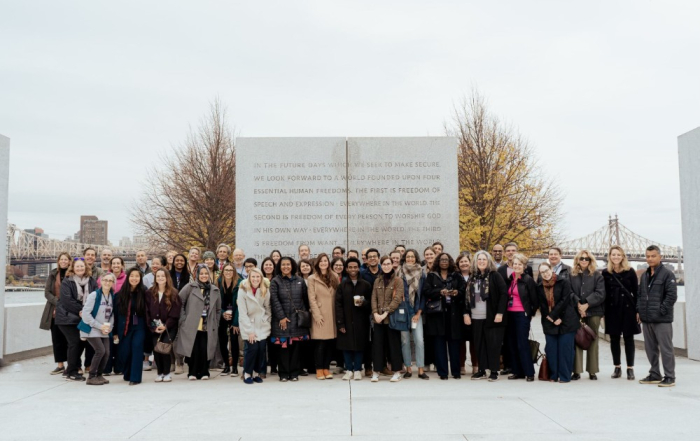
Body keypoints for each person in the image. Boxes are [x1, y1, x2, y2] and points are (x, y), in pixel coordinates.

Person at [464, 250, 508, 382]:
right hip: (476, 317)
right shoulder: (473, 277)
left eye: (484, 259)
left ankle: (494, 371)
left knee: (493, 345)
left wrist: (500, 313)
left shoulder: (495, 276)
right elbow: (466, 297)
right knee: (479, 345)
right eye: (479, 259)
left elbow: (503, 294)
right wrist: (466, 313)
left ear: (488, 261)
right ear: (475, 262)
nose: (481, 262)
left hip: (492, 317)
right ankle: (482, 370)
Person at [638, 245, 677, 387]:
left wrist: (661, 310)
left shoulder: (668, 274)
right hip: (646, 319)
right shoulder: (644, 275)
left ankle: (670, 377)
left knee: (666, 348)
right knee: (650, 349)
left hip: (662, 319)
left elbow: (671, 296)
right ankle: (655, 374)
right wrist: (640, 311)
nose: (650, 259)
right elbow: (640, 295)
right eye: (648, 256)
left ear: (660, 257)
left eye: (653, 256)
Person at [423, 253, 467, 380]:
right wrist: (439, 292)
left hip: (453, 314)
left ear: (450, 262)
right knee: (439, 344)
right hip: (437, 315)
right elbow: (426, 291)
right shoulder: (432, 276)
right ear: (438, 262)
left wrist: (456, 292)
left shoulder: (457, 276)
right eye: (441, 260)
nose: (444, 262)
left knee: (454, 344)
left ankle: (456, 372)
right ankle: (442, 372)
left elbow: (464, 290)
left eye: (446, 260)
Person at [176, 265, 222, 380]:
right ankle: (192, 372)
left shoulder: (214, 289)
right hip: (192, 324)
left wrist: (216, 322)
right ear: (197, 275)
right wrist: (183, 319)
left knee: (205, 348)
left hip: (208, 324)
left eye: (206, 274)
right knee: (193, 348)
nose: (204, 276)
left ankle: (204, 371)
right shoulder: (190, 287)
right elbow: (179, 302)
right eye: (201, 274)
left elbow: (218, 309)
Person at [55, 258, 97, 381]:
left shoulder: (92, 281)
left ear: (86, 268)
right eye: (77, 266)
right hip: (67, 318)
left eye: (82, 266)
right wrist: (83, 311)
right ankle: (71, 372)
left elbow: (95, 297)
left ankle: (71, 369)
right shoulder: (67, 281)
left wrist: (85, 312)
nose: (80, 269)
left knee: (82, 343)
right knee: (74, 343)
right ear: (72, 268)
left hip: (82, 318)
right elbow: (67, 300)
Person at [602, 245, 640, 380]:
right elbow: (603, 294)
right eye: (613, 254)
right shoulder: (605, 273)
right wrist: (602, 313)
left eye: (618, 254)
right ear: (610, 256)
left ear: (622, 256)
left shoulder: (630, 271)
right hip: (612, 309)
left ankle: (630, 368)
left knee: (629, 339)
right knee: (614, 339)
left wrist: (638, 310)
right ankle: (617, 367)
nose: (616, 257)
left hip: (628, 309)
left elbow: (636, 293)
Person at [270, 257, 310, 382]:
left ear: (292, 266)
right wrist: (281, 317)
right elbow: (274, 301)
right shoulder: (275, 281)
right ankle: (283, 373)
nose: (286, 267)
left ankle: (294, 372)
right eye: (283, 265)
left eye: (288, 264)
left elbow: (305, 299)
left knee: (296, 348)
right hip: (281, 320)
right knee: (283, 348)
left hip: (297, 320)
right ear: (279, 266)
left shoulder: (300, 280)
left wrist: (303, 313)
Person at [537, 262, 577, 382]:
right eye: (542, 272)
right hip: (549, 321)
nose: (545, 274)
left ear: (551, 269)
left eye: (546, 270)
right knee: (551, 350)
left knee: (565, 350)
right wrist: (552, 318)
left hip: (566, 319)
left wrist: (557, 316)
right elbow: (542, 305)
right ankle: (553, 375)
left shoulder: (564, 282)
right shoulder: (539, 286)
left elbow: (565, 300)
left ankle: (565, 376)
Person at [570, 250, 606, 381]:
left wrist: (587, 304)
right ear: (577, 260)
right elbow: (569, 292)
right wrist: (579, 305)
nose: (584, 260)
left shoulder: (597, 275)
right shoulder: (571, 275)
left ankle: (592, 371)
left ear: (590, 261)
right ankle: (576, 371)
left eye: (587, 259)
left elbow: (601, 293)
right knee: (577, 340)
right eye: (581, 258)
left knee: (593, 340)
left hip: (594, 312)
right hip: (576, 311)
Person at [335, 257, 372, 380]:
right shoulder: (342, 285)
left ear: (359, 268)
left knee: (360, 345)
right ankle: (349, 369)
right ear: (346, 269)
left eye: (355, 267)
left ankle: (357, 369)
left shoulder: (366, 285)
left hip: (361, 321)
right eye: (350, 267)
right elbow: (338, 305)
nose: (353, 269)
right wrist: (340, 323)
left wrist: (364, 303)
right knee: (346, 345)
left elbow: (371, 303)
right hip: (346, 320)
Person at [505, 253, 538, 381]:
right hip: (510, 313)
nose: (517, 266)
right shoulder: (510, 278)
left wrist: (529, 314)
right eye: (515, 264)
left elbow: (534, 300)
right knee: (512, 343)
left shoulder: (528, 280)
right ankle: (517, 371)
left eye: (519, 264)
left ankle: (529, 372)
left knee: (522, 343)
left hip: (522, 314)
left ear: (524, 266)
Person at [370, 256, 404, 383]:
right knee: (377, 346)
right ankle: (376, 371)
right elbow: (373, 297)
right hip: (378, 319)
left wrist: (385, 313)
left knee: (393, 345)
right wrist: (375, 313)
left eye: (388, 264)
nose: (386, 266)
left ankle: (396, 371)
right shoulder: (377, 280)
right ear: (381, 265)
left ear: (392, 264)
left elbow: (397, 299)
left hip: (391, 319)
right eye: (384, 264)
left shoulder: (398, 280)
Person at [307, 253, 339, 380]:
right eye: (321, 261)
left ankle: (326, 368)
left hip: (332, 313)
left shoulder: (334, 276)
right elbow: (311, 298)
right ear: (317, 263)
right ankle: (319, 369)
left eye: (325, 261)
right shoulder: (312, 278)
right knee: (320, 343)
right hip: (320, 314)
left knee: (330, 342)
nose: (323, 263)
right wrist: (317, 315)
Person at [146, 269, 181, 382]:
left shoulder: (174, 293)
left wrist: (165, 326)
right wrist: (153, 327)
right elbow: (146, 311)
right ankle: (159, 372)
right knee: (156, 349)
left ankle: (166, 373)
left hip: (169, 326)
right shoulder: (150, 293)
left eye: (163, 276)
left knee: (164, 348)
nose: (160, 278)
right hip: (154, 326)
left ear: (167, 278)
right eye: (158, 276)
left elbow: (175, 313)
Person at [81, 273, 116, 385]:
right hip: (91, 327)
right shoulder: (94, 295)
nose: (107, 282)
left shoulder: (111, 296)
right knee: (100, 350)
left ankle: (99, 375)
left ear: (113, 283)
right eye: (105, 280)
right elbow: (86, 314)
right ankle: (91, 377)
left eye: (110, 281)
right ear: (100, 281)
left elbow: (112, 314)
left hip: (104, 328)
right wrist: (99, 326)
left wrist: (109, 327)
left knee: (107, 353)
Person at [398, 249, 428, 379]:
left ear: (416, 258)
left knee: (419, 341)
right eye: (408, 257)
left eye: (412, 256)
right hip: (403, 312)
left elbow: (424, 295)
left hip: (416, 312)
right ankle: (408, 369)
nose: (410, 259)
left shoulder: (422, 273)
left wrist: (419, 312)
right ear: (404, 258)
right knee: (405, 341)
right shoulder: (399, 273)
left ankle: (421, 370)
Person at [114, 268, 148, 385]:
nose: (134, 278)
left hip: (140, 327)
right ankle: (127, 373)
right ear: (128, 278)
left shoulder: (145, 292)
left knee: (137, 349)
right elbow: (116, 314)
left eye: (137, 276)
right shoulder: (120, 294)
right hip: (125, 327)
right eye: (132, 276)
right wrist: (114, 332)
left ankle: (135, 377)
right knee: (126, 351)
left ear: (140, 278)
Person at [238, 268, 272, 384]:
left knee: (261, 350)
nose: (255, 279)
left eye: (258, 277)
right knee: (252, 349)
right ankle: (247, 373)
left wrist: (266, 319)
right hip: (249, 324)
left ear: (261, 278)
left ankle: (257, 373)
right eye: (253, 276)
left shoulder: (264, 290)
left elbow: (268, 307)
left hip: (262, 324)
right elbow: (242, 312)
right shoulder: (243, 290)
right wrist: (249, 331)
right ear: (249, 277)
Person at [40, 252, 71, 375]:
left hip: (70, 311)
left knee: (70, 340)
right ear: (58, 261)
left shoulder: (72, 274)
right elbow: (47, 292)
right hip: (55, 310)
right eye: (61, 259)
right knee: (57, 339)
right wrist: (58, 302)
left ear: (69, 261)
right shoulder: (53, 274)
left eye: (66, 259)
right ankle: (60, 365)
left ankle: (71, 364)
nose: (63, 261)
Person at [217, 263, 241, 376]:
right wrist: (222, 313)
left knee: (234, 341)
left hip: (235, 315)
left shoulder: (240, 283)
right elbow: (216, 302)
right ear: (223, 271)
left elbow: (241, 304)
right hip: (222, 315)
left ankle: (235, 367)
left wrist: (235, 322)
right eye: (226, 270)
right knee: (222, 341)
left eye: (231, 270)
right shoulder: (218, 282)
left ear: (234, 272)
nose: (228, 272)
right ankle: (226, 365)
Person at [456, 252, 477, 375]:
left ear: (470, 263)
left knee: (474, 339)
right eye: (461, 262)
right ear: (458, 264)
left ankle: (475, 364)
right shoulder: (455, 276)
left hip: (474, 311)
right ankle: (461, 365)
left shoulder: (475, 276)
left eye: (466, 261)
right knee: (461, 341)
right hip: (459, 312)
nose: (464, 264)